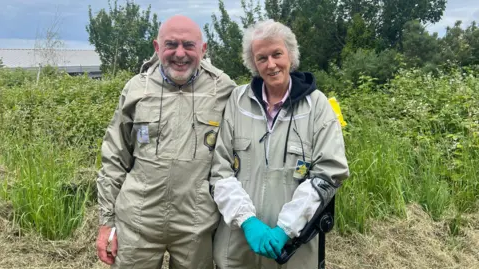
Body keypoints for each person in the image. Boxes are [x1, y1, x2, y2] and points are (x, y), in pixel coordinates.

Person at [95, 15, 236, 269]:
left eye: (189, 45)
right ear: (157, 47)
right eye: (171, 44)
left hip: (197, 225)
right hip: (137, 222)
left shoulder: (224, 89)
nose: (179, 54)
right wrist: (107, 222)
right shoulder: (137, 89)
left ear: (203, 50)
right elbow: (114, 157)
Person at [210, 19, 350, 269]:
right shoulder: (237, 101)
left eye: (277, 54)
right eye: (261, 58)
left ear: (291, 56)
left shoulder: (318, 107)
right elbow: (220, 171)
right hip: (238, 245)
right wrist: (247, 221)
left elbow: (329, 174)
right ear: (253, 63)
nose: (271, 64)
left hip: (293, 249)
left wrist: (285, 228)